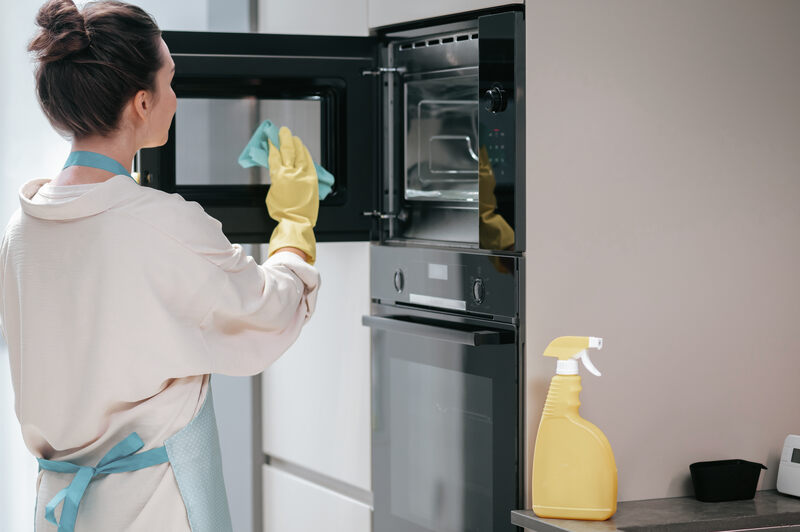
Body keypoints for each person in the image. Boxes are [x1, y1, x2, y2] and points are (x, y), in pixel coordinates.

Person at [0, 0, 320, 530]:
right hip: (156, 509)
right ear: (143, 102)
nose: (176, 97)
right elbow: (268, 311)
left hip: (59, 512)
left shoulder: (19, 231)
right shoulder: (163, 225)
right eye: (170, 82)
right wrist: (294, 224)